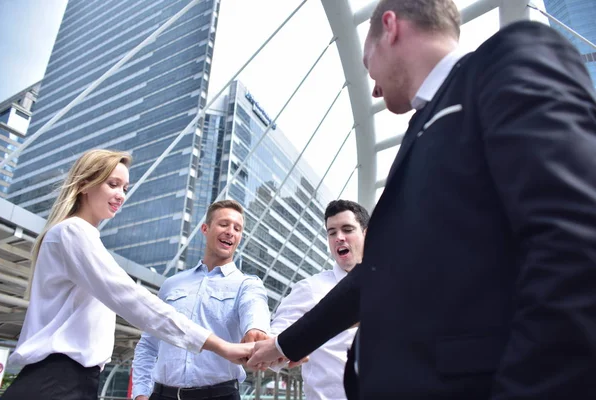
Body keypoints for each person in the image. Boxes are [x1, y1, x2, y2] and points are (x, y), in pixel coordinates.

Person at [248, 0, 596, 399]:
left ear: (391, 27)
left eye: (368, 64)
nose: (374, 87)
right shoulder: (421, 131)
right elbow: (378, 273)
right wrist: (283, 345)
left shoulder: (512, 59)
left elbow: (577, 239)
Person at [2, 149, 253, 400]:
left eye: (125, 187)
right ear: (84, 185)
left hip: (71, 382)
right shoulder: (72, 233)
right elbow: (132, 300)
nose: (121, 195)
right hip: (56, 382)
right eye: (113, 184)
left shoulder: (78, 236)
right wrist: (220, 346)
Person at [132, 199, 270, 400]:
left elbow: (255, 307)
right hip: (162, 395)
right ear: (205, 229)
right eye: (224, 224)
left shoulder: (247, 284)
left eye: (237, 228)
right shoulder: (171, 284)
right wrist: (141, 394)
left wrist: (256, 330)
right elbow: (148, 344)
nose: (230, 231)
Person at [270, 200, 369, 400]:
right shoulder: (309, 289)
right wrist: (278, 352)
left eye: (347, 229)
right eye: (332, 232)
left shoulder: (392, 286)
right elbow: (276, 338)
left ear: (367, 234)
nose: (339, 237)